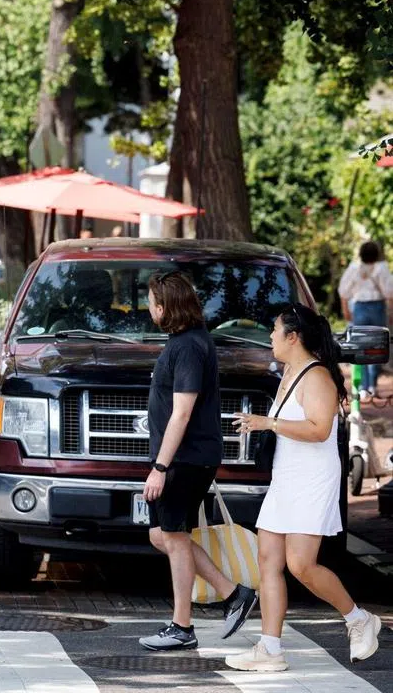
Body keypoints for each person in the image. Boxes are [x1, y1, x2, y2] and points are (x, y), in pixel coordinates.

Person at [227, 304, 383, 671]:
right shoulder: (289, 370)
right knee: (267, 560)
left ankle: (359, 618)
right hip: (287, 476)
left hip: (313, 479)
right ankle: (270, 648)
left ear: (293, 336)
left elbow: (319, 430)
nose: (270, 337)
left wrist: (269, 423)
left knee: (301, 564)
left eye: (274, 330)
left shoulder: (317, 378)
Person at [140, 271, 257, 651]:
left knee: (173, 538)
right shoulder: (182, 342)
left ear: (165, 306)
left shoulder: (189, 347)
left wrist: (160, 467)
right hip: (182, 458)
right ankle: (233, 593)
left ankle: (182, 626)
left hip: (186, 460)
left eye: (152, 301)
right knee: (162, 535)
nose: (148, 307)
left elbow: (182, 413)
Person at [337, 240, 393, 400]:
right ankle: (372, 386)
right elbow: (389, 293)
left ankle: (362, 387)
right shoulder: (382, 268)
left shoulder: (354, 268)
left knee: (360, 347)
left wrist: (345, 309)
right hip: (378, 308)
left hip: (359, 308)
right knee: (377, 347)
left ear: (361, 254)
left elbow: (343, 291)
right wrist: (390, 313)